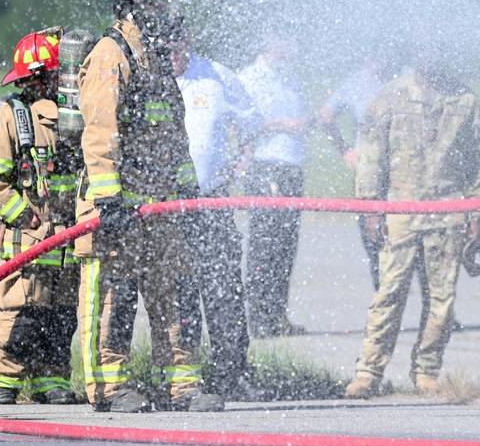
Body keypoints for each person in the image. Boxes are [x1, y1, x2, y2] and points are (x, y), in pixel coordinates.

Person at [74, 0, 223, 413]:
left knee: (175, 294)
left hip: (162, 211)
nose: (164, 15)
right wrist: (108, 200)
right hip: (117, 211)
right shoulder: (110, 56)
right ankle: (110, 389)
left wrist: (189, 196)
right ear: (132, 5)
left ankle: (178, 386)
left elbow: (176, 138)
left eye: (165, 6)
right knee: (113, 304)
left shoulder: (156, 60)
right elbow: (100, 132)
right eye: (155, 6)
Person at [344, 42, 480, 399]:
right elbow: (370, 159)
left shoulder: (466, 101)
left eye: (438, 45)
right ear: (413, 50)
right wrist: (370, 208)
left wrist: (476, 214)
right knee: (389, 294)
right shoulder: (389, 98)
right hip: (401, 214)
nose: (431, 53)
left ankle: (427, 370)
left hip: (448, 214)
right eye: (424, 46)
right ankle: (369, 372)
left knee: (442, 299)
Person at [0, 30, 80, 405]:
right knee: (22, 314)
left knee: (63, 316)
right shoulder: (6, 119)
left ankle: (52, 380)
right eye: (51, 76)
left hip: (68, 242)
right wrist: (25, 218)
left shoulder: (72, 121)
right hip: (28, 242)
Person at [170, 30, 265, 400]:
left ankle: (232, 371)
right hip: (170, 207)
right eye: (166, 46)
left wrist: (239, 164)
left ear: (188, 42)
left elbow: (252, 123)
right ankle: (183, 376)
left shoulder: (216, 75)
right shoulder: (151, 77)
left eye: (178, 46)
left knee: (225, 289)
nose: (173, 54)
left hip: (212, 203)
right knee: (181, 294)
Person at [238, 38, 312, 338]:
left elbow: (302, 120)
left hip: (291, 167)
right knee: (264, 245)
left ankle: (277, 315)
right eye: (286, 43)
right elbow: (242, 124)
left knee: (285, 245)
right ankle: (258, 318)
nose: (292, 49)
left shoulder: (290, 77)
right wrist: (282, 124)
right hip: (265, 166)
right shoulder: (250, 77)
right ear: (271, 42)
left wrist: (304, 124)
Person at [316, 48, 402, 290]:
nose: (378, 60)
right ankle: (382, 299)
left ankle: (433, 308)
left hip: (404, 173)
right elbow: (325, 115)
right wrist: (345, 150)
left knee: (412, 237)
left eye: (384, 53)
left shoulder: (404, 78)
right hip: (369, 173)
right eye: (374, 54)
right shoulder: (356, 83)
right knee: (373, 237)